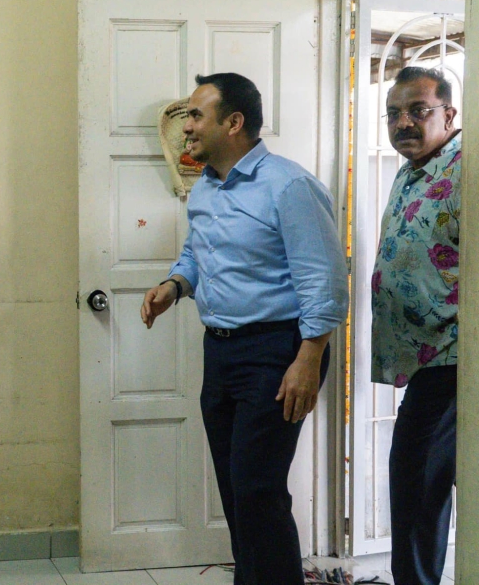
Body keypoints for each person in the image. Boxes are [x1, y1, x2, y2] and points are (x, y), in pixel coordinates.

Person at [140, 73, 348, 585]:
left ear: (234, 123)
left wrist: (309, 358)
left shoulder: (289, 185)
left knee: (258, 487)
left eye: (195, 115)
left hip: (278, 352)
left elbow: (324, 278)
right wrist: (174, 285)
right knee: (239, 490)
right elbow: (198, 250)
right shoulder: (206, 186)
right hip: (222, 352)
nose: (185, 127)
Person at [371, 66, 460, 585]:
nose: (403, 122)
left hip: (452, 358)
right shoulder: (412, 169)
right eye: (394, 113)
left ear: (448, 114)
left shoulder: (464, 167)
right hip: (423, 358)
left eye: (418, 111)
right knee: (418, 486)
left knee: (415, 484)